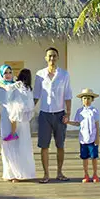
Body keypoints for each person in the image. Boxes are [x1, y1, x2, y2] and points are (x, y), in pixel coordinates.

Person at [33, 46, 72, 183]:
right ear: (45, 58)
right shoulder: (39, 75)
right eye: (49, 56)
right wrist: (28, 111)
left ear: (58, 58)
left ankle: (60, 172)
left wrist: (68, 113)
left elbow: (68, 95)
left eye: (54, 56)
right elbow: (36, 95)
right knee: (44, 146)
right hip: (44, 115)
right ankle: (46, 174)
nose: (52, 58)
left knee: (60, 145)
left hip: (60, 114)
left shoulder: (64, 74)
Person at [1, 68, 37, 182]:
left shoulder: (17, 86)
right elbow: (31, 105)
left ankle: (14, 174)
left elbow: (8, 92)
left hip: (16, 117)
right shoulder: (29, 89)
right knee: (24, 147)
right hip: (25, 121)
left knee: (13, 146)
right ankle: (25, 172)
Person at [69, 88, 100, 183]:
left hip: (92, 137)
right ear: (82, 100)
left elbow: (97, 125)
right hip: (83, 138)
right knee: (84, 157)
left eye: (88, 98)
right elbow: (77, 123)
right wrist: (68, 122)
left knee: (94, 157)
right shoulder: (79, 111)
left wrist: (97, 137)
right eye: (84, 98)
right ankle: (86, 174)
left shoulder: (94, 111)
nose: (86, 100)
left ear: (92, 100)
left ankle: (95, 174)